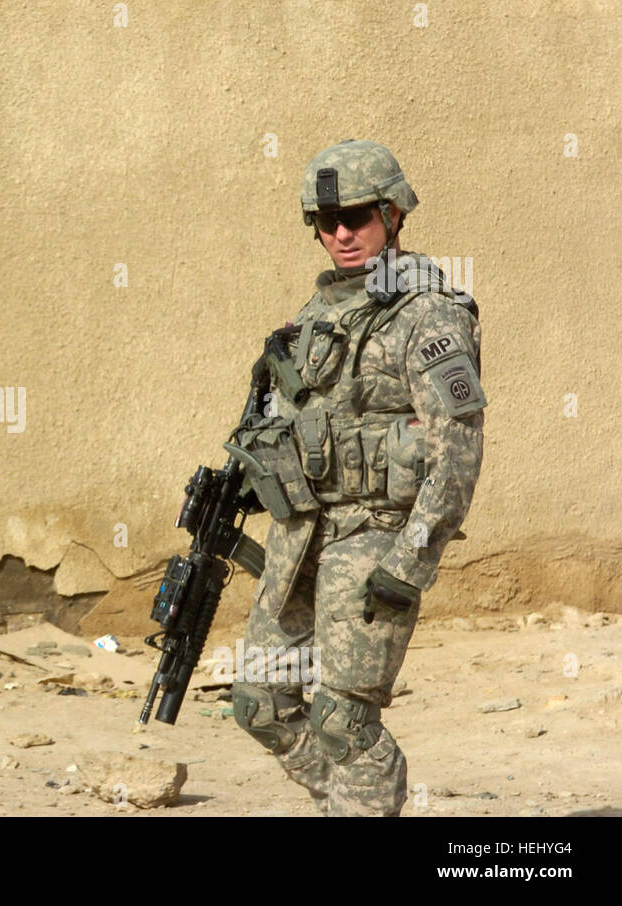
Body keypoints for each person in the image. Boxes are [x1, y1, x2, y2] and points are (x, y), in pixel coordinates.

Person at [229, 139, 485, 816]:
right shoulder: (318, 314)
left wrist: (410, 562)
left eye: (359, 217)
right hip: (301, 539)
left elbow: (457, 448)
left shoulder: (429, 313)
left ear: (394, 213)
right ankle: (351, 800)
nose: (342, 233)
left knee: (346, 722)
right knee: (260, 703)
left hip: (374, 542)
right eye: (326, 220)